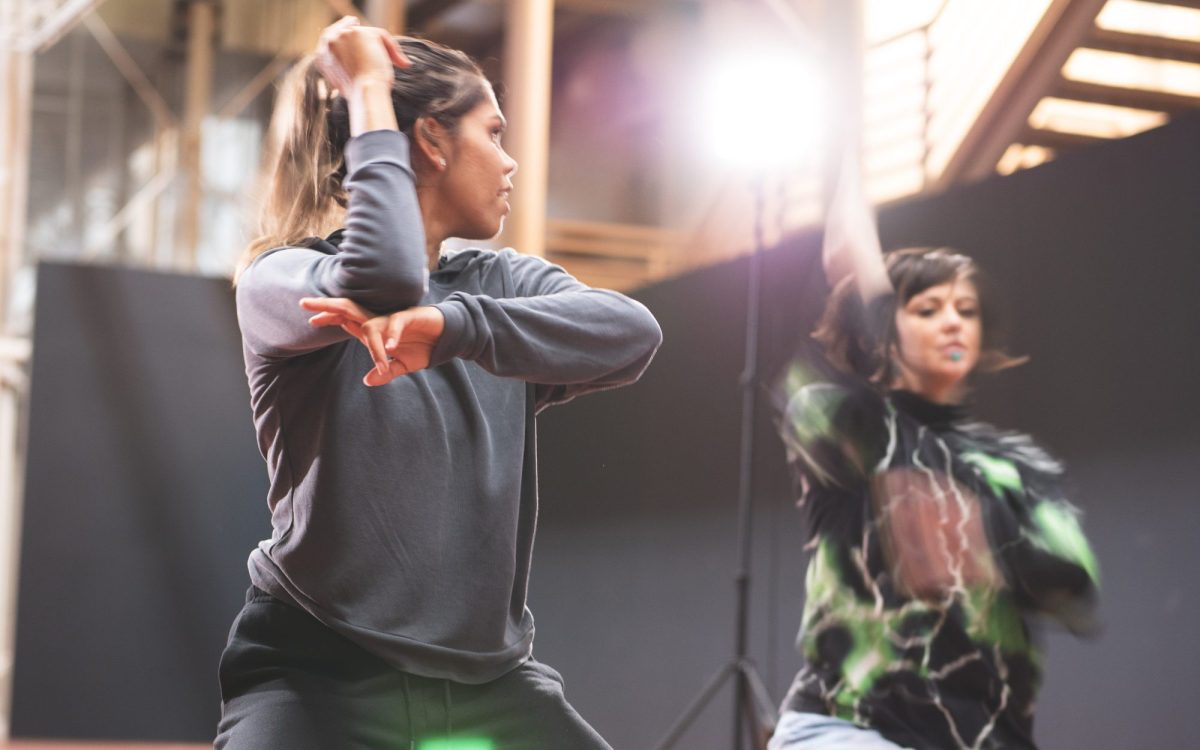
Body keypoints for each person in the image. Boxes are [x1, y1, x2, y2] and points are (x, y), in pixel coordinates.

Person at [215, 17, 661, 749]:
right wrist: (366, 86)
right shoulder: (282, 281)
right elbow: (386, 275)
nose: (511, 161)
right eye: (493, 133)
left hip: (491, 686)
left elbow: (633, 334)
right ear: (428, 140)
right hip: (317, 677)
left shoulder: (502, 284)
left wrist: (457, 328)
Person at [769, 150, 1099, 750]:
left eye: (965, 311)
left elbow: (1073, 583)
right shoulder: (845, 422)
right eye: (928, 308)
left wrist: (987, 555)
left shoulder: (1018, 463)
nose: (953, 322)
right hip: (846, 728)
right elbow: (848, 258)